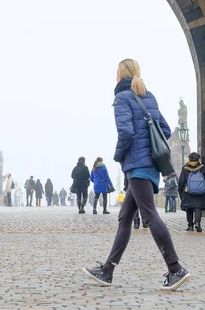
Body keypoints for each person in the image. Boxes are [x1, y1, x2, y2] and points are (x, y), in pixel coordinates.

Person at [83, 59, 190, 291]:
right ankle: (107, 270)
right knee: (125, 217)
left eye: (116, 74)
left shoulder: (122, 98)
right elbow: (164, 129)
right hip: (148, 165)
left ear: (120, 76)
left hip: (137, 166)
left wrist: (119, 155)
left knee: (149, 215)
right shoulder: (148, 96)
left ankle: (175, 268)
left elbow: (126, 132)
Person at [178, 152, 205, 232]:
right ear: (198, 159)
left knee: (189, 208)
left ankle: (190, 226)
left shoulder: (185, 168)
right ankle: (197, 223)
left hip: (187, 191)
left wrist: (181, 192)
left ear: (189, 159)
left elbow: (181, 181)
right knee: (197, 207)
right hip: (200, 192)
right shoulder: (203, 168)